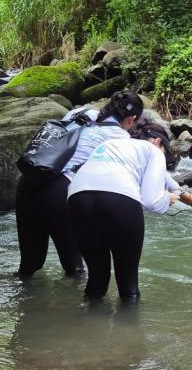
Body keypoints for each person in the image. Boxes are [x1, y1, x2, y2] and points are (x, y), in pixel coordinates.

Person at [67, 120, 192, 302]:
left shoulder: (113, 145)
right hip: (118, 200)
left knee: (97, 279)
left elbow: (164, 178)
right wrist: (168, 199)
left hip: (77, 199)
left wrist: (190, 199)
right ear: (158, 142)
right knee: (128, 286)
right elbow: (152, 202)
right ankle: (130, 328)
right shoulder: (153, 150)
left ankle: (87, 326)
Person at [16, 91, 143, 278]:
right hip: (60, 191)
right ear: (132, 119)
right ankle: (77, 306)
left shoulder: (80, 112)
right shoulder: (121, 139)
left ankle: (24, 303)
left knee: (30, 264)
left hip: (29, 180)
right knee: (74, 268)